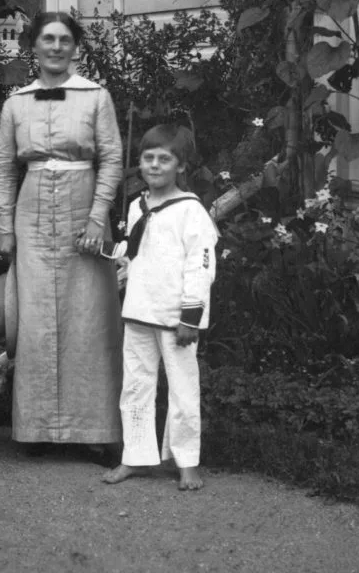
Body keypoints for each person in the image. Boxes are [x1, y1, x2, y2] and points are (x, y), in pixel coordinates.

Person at [0, 11, 125, 456]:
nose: (55, 47)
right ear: (33, 45)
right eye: (47, 39)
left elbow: (111, 159)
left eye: (64, 40)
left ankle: (97, 431)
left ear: (75, 47)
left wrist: (96, 216)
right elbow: (4, 170)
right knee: (33, 319)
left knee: (90, 317)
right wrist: (4, 226)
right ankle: (38, 430)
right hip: (31, 217)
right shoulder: (16, 103)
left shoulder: (96, 98)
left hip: (83, 207)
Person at [102, 124, 218, 491]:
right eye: (147, 158)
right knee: (136, 387)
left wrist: (190, 317)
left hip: (174, 319)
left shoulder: (191, 213)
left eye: (164, 159)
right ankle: (135, 456)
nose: (154, 166)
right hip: (138, 312)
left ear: (181, 166)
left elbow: (200, 268)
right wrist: (102, 249)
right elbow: (136, 253)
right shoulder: (137, 206)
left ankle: (187, 461)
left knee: (183, 390)